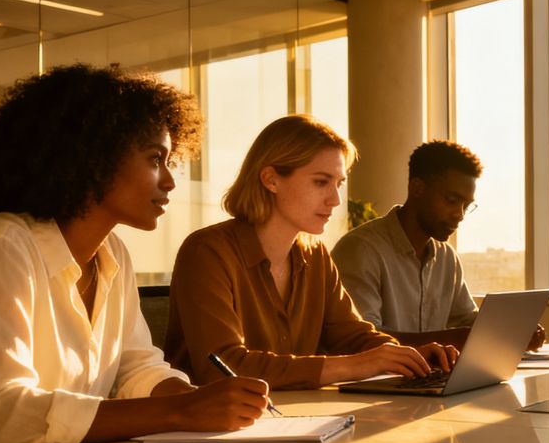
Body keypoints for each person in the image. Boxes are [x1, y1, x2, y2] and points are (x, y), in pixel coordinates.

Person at [0, 64, 270, 443]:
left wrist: (200, 403)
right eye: (155, 159)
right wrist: (180, 412)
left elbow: (136, 368)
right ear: (92, 156)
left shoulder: (112, 252)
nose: (169, 180)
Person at [164, 115, 457, 389]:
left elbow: (351, 335)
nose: (335, 199)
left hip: (297, 421)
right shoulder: (207, 252)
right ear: (271, 179)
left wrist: (407, 356)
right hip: (206, 434)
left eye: (338, 183)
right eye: (321, 182)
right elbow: (222, 366)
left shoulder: (316, 256)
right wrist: (349, 367)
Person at [332, 139, 544, 350]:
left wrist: (512, 331)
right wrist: (456, 338)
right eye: (452, 200)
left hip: (427, 378)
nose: (459, 215)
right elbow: (362, 339)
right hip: (372, 380)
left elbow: (465, 321)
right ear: (417, 189)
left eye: (466, 206)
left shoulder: (446, 258)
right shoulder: (360, 250)